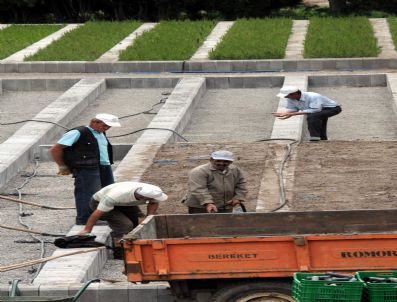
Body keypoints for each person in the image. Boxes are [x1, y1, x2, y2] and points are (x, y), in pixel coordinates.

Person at [49, 113, 121, 225]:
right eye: (105, 125)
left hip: (103, 166)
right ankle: (85, 220)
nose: (107, 128)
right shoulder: (78, 132)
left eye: (109, 127)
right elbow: (55, 149)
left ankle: (100, 217)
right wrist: (62, 166)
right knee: (87, 193)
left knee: (106, 192)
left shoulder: (101, 133)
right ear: (94, 122)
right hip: (86, 168)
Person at [78, 181, 168, 238]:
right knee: (125, 225)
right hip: (98, 202)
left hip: (122, 203)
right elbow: (97, 213)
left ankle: (133, 241)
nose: (153, 200)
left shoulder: (153, 191)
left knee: (138, 221)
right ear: (141, 197)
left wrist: (148, 218)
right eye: (149, 199)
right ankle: (118, 247)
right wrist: (87, 230)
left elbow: (153, 202)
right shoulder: (114, 197)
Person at [272, 86, 342, 141]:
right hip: (317, 110)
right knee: (317, 119)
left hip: (332, 108)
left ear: (295, 94)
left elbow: (315, 110)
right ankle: (322, 139)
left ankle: (315, 137)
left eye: (287, 96)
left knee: (313, 116)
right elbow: (294, 109)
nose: (285, 97)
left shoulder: (313, 96)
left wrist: (292, 114)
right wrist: (285, 113)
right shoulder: (290, 98)